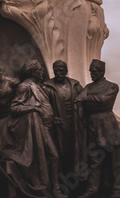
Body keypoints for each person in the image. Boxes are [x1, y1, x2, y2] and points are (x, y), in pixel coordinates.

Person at [0, 59, 65, 198]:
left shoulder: (38, 86)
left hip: (46, 126)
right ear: (33, 72)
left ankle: (54, 188)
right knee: (54, 155)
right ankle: (54, 189)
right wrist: (33, 108)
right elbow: (14, 108)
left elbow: (43, 106)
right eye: (40, 69)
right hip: (36, 130)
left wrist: (51, 118)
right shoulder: (25, 86)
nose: (42, 71)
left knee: (54, 156)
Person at [77, 59, 120, 198]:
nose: (91, 74)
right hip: (92, 126)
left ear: (102, 71)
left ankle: (117, 189)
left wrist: (87, 99)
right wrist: (91, 100)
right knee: (94, 159)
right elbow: (79, 99)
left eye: (94, 71)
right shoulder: (88, 87)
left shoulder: (112, 86)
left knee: (115, 161)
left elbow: (104, 101)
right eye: (90, 71)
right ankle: (92, 188)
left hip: (108, 126)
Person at [44, 59, 83, 177]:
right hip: (58, 125)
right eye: (55, 70)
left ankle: (76, 178)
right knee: (60, 152)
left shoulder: (75, 85)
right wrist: (52, 118)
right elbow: (44, 106)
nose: (58, 73)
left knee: (75, 150)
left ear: (66, 71)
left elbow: (83, 102)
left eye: (61, 70)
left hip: (74, 123)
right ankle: (61, 178)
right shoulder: (47, 87)